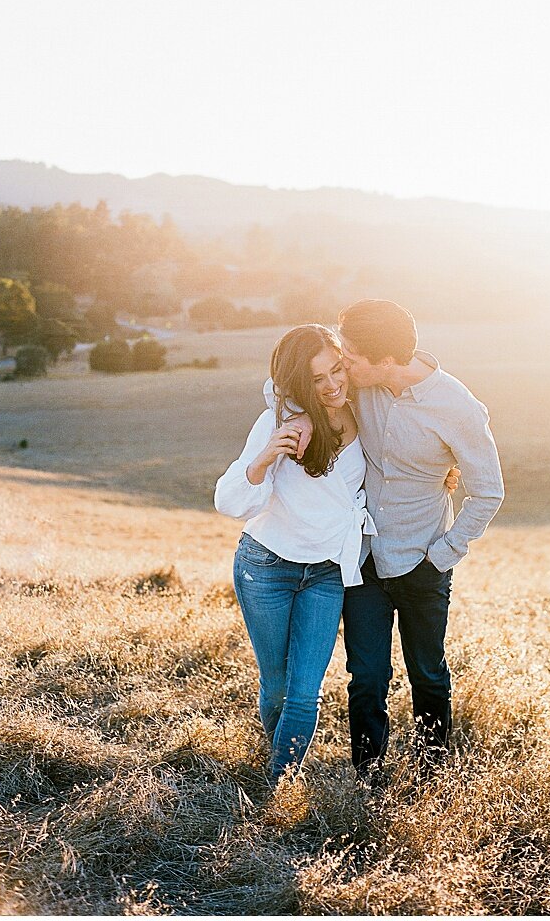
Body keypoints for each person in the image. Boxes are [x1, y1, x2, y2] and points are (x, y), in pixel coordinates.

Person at [334, 299, 503, 783]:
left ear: (388, 360)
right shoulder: (359, 385)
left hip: (422, 562)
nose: (345, 361)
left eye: (352, 354)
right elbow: (290, 386)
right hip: (364, 557)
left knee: (427, 674)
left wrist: (443, 555)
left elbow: (489, 491)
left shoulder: (457, 408)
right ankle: (366, 779)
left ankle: (432, 779)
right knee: (366, 678)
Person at [214, 324, 373, 784]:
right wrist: (264, 459)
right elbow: (228, 501)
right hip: (267, 567)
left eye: (336, 370)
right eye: (317, 380)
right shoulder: (278, 424)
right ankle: (275, 768)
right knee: (278, 685)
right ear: (300, 386)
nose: (332, 385)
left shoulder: (363, 410)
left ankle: (278, 783)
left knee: (305, 693)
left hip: (325, 573)